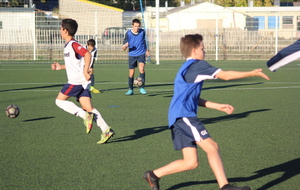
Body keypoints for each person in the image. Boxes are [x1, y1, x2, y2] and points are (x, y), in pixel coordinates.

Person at [143, 34, 270, 190]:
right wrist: (251, 73)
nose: (205, 52)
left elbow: (191, 98)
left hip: (177, 117)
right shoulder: (198, 65)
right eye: (203, 49)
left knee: (191, 162)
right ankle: (225, 186)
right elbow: (226, 76)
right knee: (212, 147)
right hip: (184, 116)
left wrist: (217, 106)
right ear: (195, 51)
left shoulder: (185, 68)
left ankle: (153, 175)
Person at [51, 18, 114, 144]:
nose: (60, 31)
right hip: (82, 82)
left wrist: (86, 72)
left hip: (76, 81)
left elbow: (87, 54)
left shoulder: (74, 44)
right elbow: (75, 63)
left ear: (66, 30)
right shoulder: (69, 45)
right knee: (88, 107)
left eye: (61, 28)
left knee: (59, 101)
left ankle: (84, 116)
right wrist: (60, 67)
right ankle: (106, 130)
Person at [122, 18, 150, 95]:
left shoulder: (142, 32)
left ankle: (142, 87)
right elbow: (123, 47)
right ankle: (130, 89)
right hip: (132, 55)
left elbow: (145, 42)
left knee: (141, 69)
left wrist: (147, 51)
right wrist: (125, 46)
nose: (137, 28)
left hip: (141, 53)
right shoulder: (128, 33)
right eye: (135, 26)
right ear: (132, 25)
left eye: (138, 26)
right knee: (131, 73)